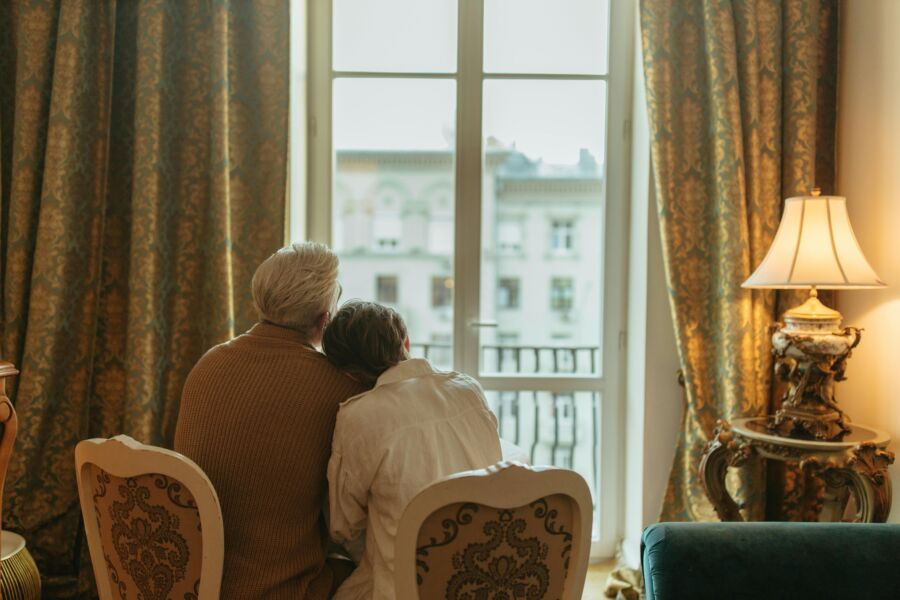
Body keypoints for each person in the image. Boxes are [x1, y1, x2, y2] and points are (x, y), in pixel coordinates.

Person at [174, 243, 367, 600]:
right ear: (325, 319)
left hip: (193, 583)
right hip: (284, 590)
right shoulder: (339, 387)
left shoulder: (208, 365)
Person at [322, 300, 503, 600]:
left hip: (406, 587)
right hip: (481, 574)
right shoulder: (468, 389)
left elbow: (344, 526)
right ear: (405, 339)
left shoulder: (359, 415)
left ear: (350, 374)